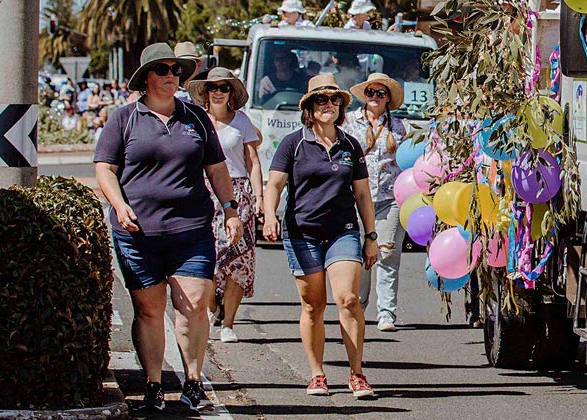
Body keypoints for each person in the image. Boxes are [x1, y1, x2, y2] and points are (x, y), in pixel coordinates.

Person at [93, 43, 241, 411]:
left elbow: (217, 168)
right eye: (163, 69)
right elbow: (104, 169)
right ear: (146, 77)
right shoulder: (124, 119)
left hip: (191, 229)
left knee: (192, 303)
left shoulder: (196, 118)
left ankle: (193, 381)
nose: (171, 76)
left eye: (176, 70)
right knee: (149, 310)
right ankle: (154, 385)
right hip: (138, 233)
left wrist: (230, 208)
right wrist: (119, 204)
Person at [261, 74, 380, 399]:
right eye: (321, 100)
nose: (328, 104)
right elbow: (274, 184)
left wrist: (371, 235)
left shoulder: (350, 145)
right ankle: (317, 375)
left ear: (341, 106)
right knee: (313, 306)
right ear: (309, 108)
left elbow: (363, 195)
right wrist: (269, 215)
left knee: (349, 300)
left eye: (334, 99)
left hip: (342, 232)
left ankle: (356, 374)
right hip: (302, 234)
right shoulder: (293, 143)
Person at [187, 67, 263, 344]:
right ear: (205, 93)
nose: (218, 92)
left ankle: (228, 323)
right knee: (206, 259)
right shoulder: (195, 120)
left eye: (224, 87)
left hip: (239, 192)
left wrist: (259, 197)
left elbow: (253, 161)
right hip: (203, 193)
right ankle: (212, 307)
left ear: (231, 92)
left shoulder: (241, 122)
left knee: (238, 261)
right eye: (213, 87)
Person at [342, 73, 408, 332]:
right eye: (371, 92)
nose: (375, 98)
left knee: (387, 253)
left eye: (381, 93)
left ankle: (387, 313)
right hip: (357, 198)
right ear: (364, 95)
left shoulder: (400, 127)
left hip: (390, 198)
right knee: (359, 255)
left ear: (388, 98)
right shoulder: (349, 123)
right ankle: (356, 307)